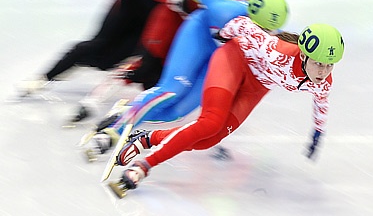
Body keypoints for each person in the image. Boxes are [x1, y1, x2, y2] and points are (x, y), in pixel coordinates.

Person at [110, 14, 344, 196]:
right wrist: (224, 34)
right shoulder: (276, 51)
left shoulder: (323, 83)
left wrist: (317, 133)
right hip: (234, 60)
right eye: (319, 64)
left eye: (330, 65)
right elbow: (243, 25)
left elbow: (321, 104)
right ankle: (144, 166)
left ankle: (146, 139)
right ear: (303, 55)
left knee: (209, 140)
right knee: (210, 122)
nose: (323, 72)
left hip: (256, 85)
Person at [84, 0, 288, 162]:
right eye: (259, 27)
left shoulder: (272, 33)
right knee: (172, 90)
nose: (263, 35)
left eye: (269, 30)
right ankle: (112, 133)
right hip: (198, 34)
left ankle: (127, 111)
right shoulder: (225, 11)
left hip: (220, 55)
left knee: (176, 113)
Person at [17, 0, 200, 98]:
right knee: (96, 49)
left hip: (148, 21)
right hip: (126, 12)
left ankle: (153, 102)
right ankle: (43, 78)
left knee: (143, 60)